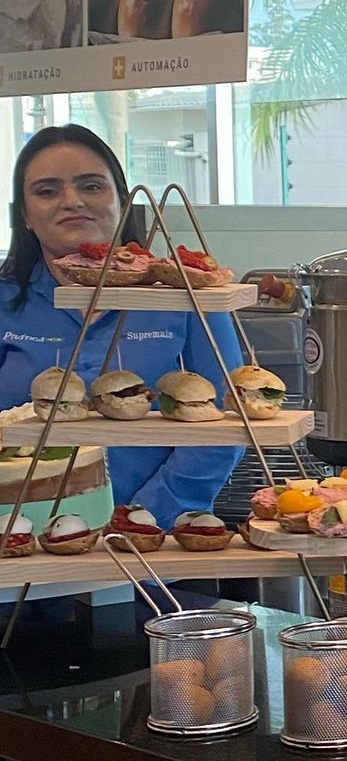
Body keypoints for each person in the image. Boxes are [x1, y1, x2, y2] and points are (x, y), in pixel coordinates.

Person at [0, 125, 244, 533]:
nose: (72, 201)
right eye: (47, 191)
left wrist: (142, 518)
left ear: (122, 200)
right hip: (20, 537)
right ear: (24, 214)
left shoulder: (184, 292)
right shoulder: (6, 301)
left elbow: (223, 423)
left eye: (91, 186)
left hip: (156, 546)